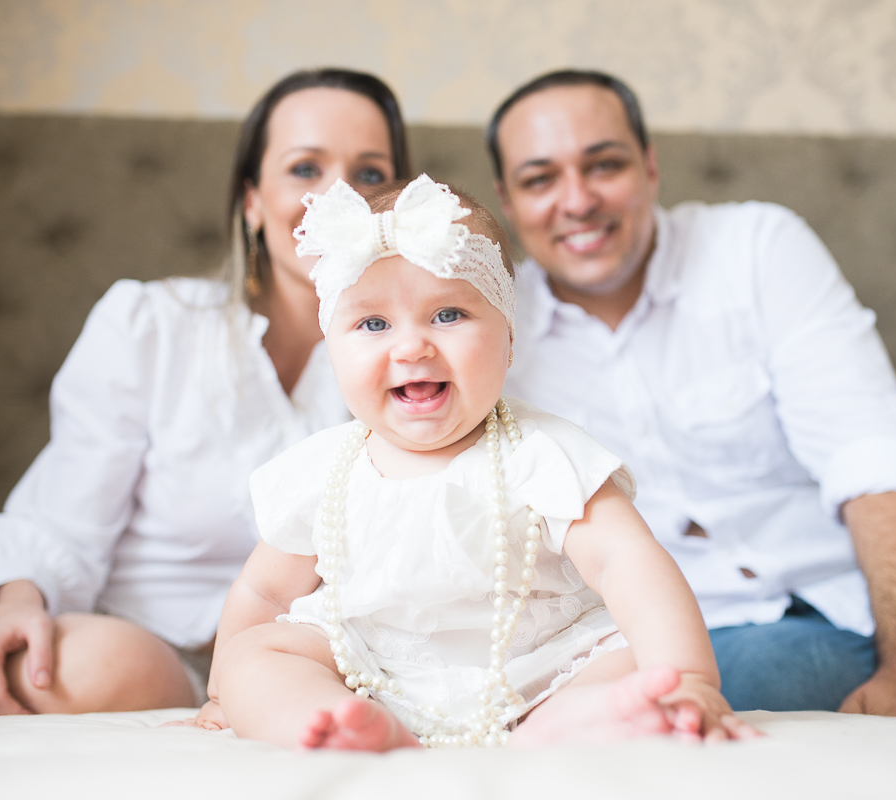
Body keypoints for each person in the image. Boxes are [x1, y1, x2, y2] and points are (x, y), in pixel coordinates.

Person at [488, 69, 896, 717]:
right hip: (701, 632)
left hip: (866, 592)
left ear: (649, 167)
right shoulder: (493, 333)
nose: (578, 200)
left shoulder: (757, 247)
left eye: (604, 164)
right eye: (540, 179)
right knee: (801, 673)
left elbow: (873, 453)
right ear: (508, 202)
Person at [202, 175, 759, 751]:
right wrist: (224, 693)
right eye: (373, 324)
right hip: (368, 671)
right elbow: (265, 594)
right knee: (256, 654)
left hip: (539, 671)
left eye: (448, 315)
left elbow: (627, 562)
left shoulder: (542, 452)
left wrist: (690, 677)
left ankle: (569, 723)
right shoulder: (326, 470)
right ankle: (331, 720)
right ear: (332, 349)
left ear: (510, 340)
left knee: (625, 659)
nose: (411, 347)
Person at [0, 68, 411, 716]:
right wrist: (17, 602)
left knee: (91, 668)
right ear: (252, 202)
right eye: (304, 168)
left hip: (173, 645)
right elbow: (63, 517)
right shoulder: (151, 322)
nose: (339, 196)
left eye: (370, 174)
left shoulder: (422, 365)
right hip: (31, 568)